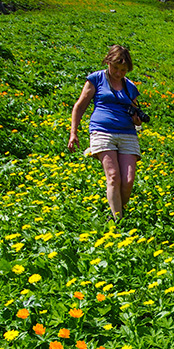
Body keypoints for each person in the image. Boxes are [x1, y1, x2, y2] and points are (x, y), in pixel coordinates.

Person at [67, 44, 148, 219]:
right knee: (113, 176)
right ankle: (118, 221)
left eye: (124, 70)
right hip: (102, 131)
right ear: (108, 62)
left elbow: (134, 110)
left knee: (127, 181)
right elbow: (80, 106)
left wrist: (137, 119)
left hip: (127, 133)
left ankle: (117, 209)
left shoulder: (130, 87)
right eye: (116, 68)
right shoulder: (96, 79)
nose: (119, 73)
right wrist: (74, 132)